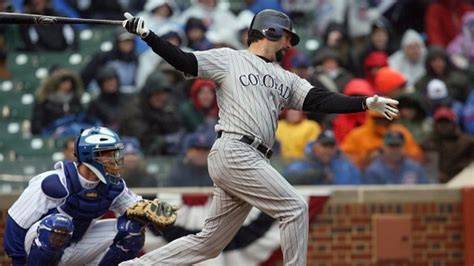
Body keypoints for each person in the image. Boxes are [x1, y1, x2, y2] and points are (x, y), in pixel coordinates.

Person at [120, 9, 399, 265]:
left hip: (253, 158)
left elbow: (320, 99)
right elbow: (184, 60)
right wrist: (149, 36)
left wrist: (363, 103)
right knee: (295, 208)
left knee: (209, 244)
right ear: (271, 31)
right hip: (235, 149)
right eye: (287, 36)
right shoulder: (230, 59)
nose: (289, 45)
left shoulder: (285, 76)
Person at [3, 126, 175, 265]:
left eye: (114, 153)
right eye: (108, 153)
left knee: (132, 229)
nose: (114, 159)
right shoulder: (55, 181)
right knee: (59, 225)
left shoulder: (113, 185)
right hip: (39, 247)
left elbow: (134, 206)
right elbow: (16, 221)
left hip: (78, 243)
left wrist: (148, 210)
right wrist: (18, 261)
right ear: (90, 155)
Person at [284, 129, 362, 185]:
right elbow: (286, 179)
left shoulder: (346, 167)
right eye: (324, 145)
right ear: (315, 146)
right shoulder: (302, 165)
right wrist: (315, 174)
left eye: (331, 146)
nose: (328, 150)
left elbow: (358, 188)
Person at [365, 130, 431, 184]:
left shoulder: (414, 168)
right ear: (383, 147)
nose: (395, 150)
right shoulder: (374, 170)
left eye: (398, 146)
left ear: (404, 147)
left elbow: (427, 192)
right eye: (391, 146)